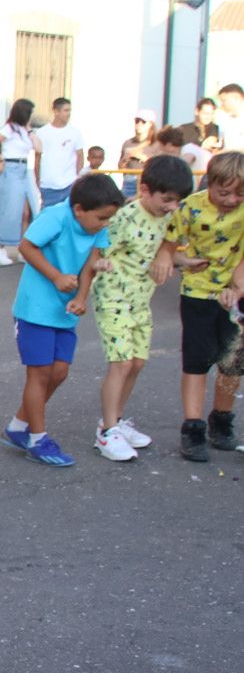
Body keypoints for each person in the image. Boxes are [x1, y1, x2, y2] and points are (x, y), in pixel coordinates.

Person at [0, 173, 123, 467]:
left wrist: (82, 297)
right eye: (102, 218)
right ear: (79, 209)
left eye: (109, 218)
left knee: (59, 372)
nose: (105, 224)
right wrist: (55, 276)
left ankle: (18, 427)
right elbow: (27, 247)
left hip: (64, 312)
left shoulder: (98, 225)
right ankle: (37, 437)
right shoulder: (56, 217)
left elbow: (92, 261)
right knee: (39, 374)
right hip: (35, 310)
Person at [87, 155, 193, 460]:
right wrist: (99, 263)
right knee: (120, 363)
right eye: (167, 199)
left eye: (178, 201)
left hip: (140, 299)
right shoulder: (125, 217)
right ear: (145, 189)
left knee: (136, 362)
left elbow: (158, 253)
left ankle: (116, 421)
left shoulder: (167, 218)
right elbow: (96, 251)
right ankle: (106, 432)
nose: (173, 206)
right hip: (114, 297)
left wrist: (184, 261)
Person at [150, 151, 244, 462]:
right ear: (210, 183)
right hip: (196, 293)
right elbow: (169, 244)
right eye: (224, 192)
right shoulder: (190, 207)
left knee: (232, 362)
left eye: (239, 193)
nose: (231, 199)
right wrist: (167, 259)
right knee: (197, 360)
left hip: (234, 295)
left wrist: (237, 288)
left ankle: (222, 420)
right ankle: (193, 427)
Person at [0, 99, 41, 266]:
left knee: (27, 211)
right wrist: (0, 159)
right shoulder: (9, 128)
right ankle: (1, 249)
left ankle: (22, 249)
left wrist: (30, 129)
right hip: (11, 168)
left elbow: (39, 148)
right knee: (9, 209)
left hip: (24, 169)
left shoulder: (24, 131)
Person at [33, 97, 85, 209]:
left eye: (70, 110)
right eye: (66, 110)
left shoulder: (75, 132)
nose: (69, 114)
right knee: (49, 218)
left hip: (69, 184)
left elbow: (80, 156)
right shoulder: (42, 132)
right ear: (56, 111)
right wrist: (37, 180)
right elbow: (37, 158)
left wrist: (78, 178)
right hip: (48, 185)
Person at [117, 111, 157, 199]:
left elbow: (159, 165)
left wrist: (141, 157)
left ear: (151, 125)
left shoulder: (156, 144)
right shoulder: (128, 143)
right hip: (128, 182)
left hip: (147, 182)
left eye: (143, 122)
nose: (139, 124)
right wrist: (124, 160)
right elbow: (120, 167)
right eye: (137, 121)